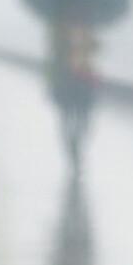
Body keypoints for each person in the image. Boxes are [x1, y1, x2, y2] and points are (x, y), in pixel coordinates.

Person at [48, 19, 99, 173]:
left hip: (84, 86)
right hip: (67, 85)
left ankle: (76, 146)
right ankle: (72, 150)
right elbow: (55, 62)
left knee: (83, 122)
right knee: (67, 119)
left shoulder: (88, 34)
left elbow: (95, 53)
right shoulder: (58, 34)